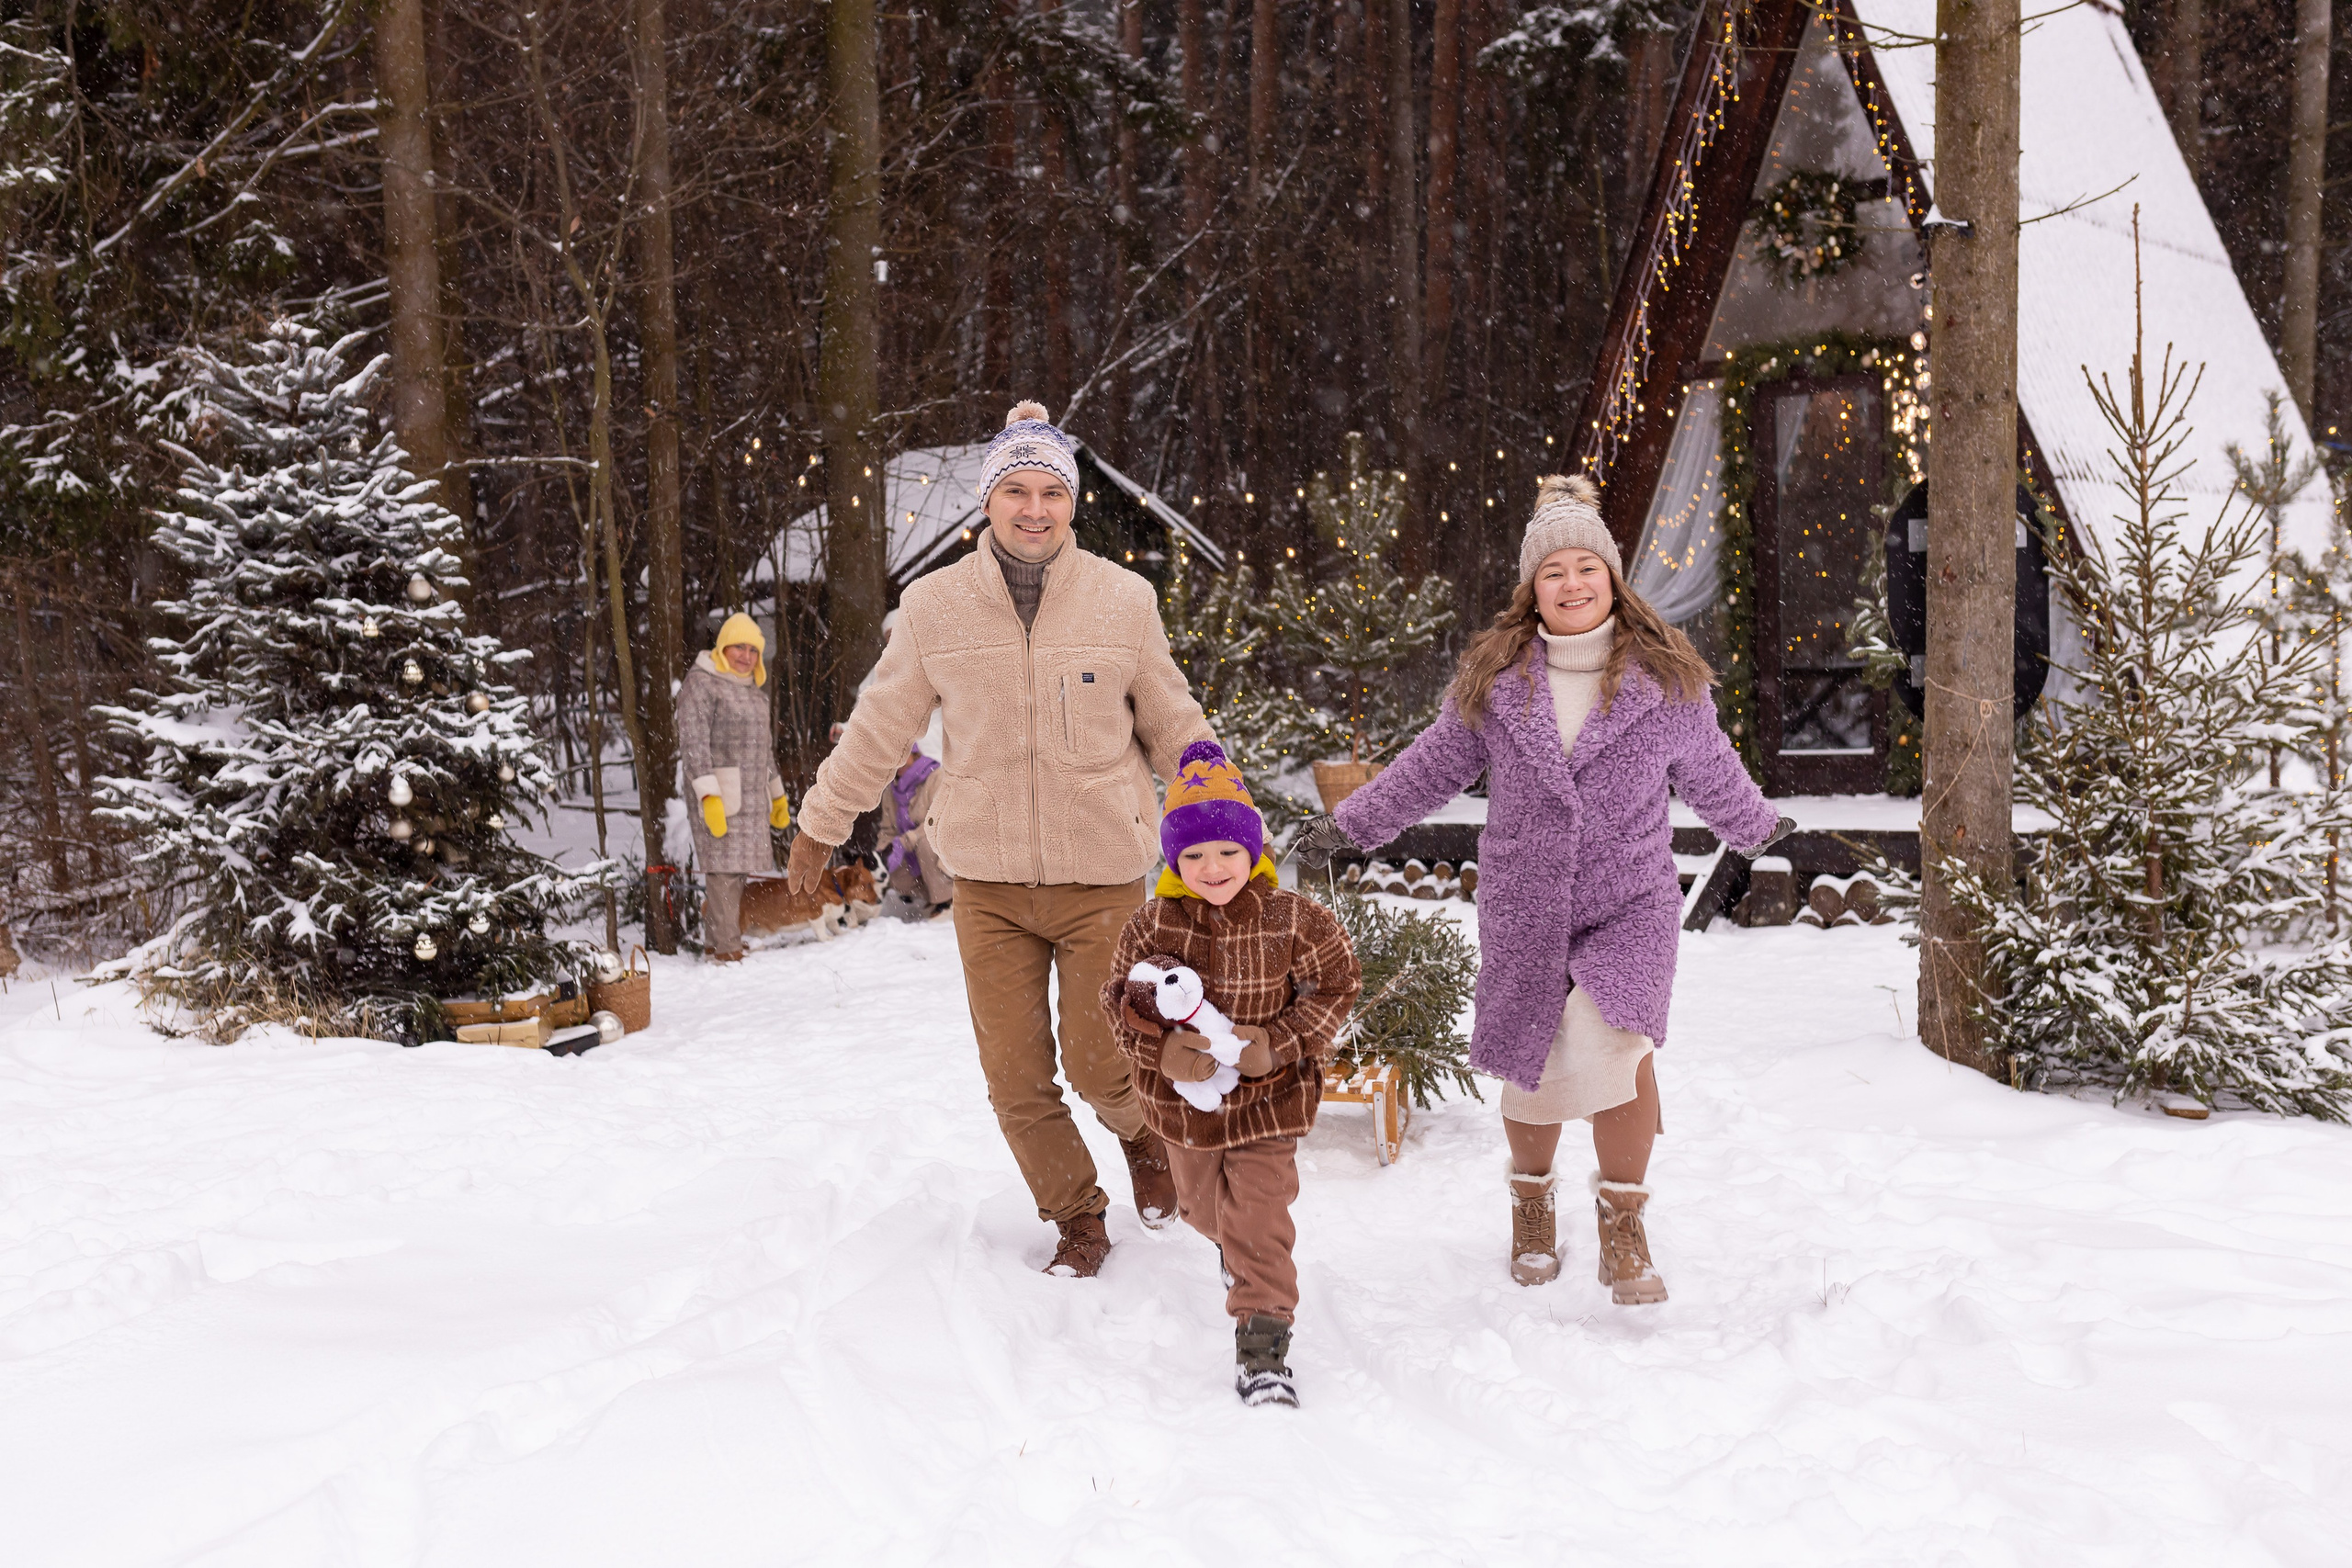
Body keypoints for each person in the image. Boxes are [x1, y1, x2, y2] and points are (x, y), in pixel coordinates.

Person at [1295, 474, 1791, 1304]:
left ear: (1612, 578)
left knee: (1620, 1046)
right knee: (1535, 1059)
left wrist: (1761, 827)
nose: (1572, 584)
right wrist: (1350, 826)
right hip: (1526, 903)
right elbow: (1428, 769)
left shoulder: (1666, 682)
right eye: (1553, 570)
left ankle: (1623, 1225)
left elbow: (1713, 773)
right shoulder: (1498, 685)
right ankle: (1531, 1203)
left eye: (1586, 568)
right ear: (1533, 589)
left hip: (1630, 900)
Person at [791, 400, 1215, 1276]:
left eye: (1050, 491)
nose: (1033, 508)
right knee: (1016, 1079)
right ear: (988, 503)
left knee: (1105, 1064)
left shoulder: (1124, 601)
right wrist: (822, 823)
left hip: (1102, 876)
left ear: (1071, 503)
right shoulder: (934, 609)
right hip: (986, 882)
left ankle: (1140, 1136)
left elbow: (1176, 722)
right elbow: (878, 727)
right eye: (1014, 490)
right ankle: (1077, 1217)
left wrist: (1223, 818)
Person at [1100, 740, 1360, 1407]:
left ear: (1255, 851)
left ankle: (1263, 1345)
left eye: (1227, 852)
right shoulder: (1152, 923)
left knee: (1260, 1218)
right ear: (1174, 861)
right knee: (1200, 1207)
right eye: (1193, 856)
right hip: (1188, 1107)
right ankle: (1229, 1244)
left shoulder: (1292, 918)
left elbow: (1338, 982)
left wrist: (1279, 1041)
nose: (1212, 868)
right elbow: (1119, 1000)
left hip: (1269, 1099)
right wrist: (1162, 1049)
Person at [678, 613, 792, 964]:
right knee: (723, 870)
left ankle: (717, 942)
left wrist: (777, 793)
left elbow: (765, 750)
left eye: (753, 650)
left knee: (736, 870)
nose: (746, 656)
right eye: (738, 647)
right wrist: (708, 795)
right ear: (722, 647)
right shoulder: (701, 683)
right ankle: (728, 948)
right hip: (719, 792)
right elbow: (693, 741)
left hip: (751, 794)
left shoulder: (755, 694)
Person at [875, 739, 952, 914]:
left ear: (914, 753)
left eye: (902, 756)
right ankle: (931, 896)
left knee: (926, 844)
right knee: (892, 870)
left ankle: (946, 901)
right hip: (910, 850)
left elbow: (939, 819)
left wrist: (910, 838)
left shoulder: (936, 776)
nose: (898, 763)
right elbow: (887, 829)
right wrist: (882, 853)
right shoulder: (891, 790)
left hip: (939, 844)